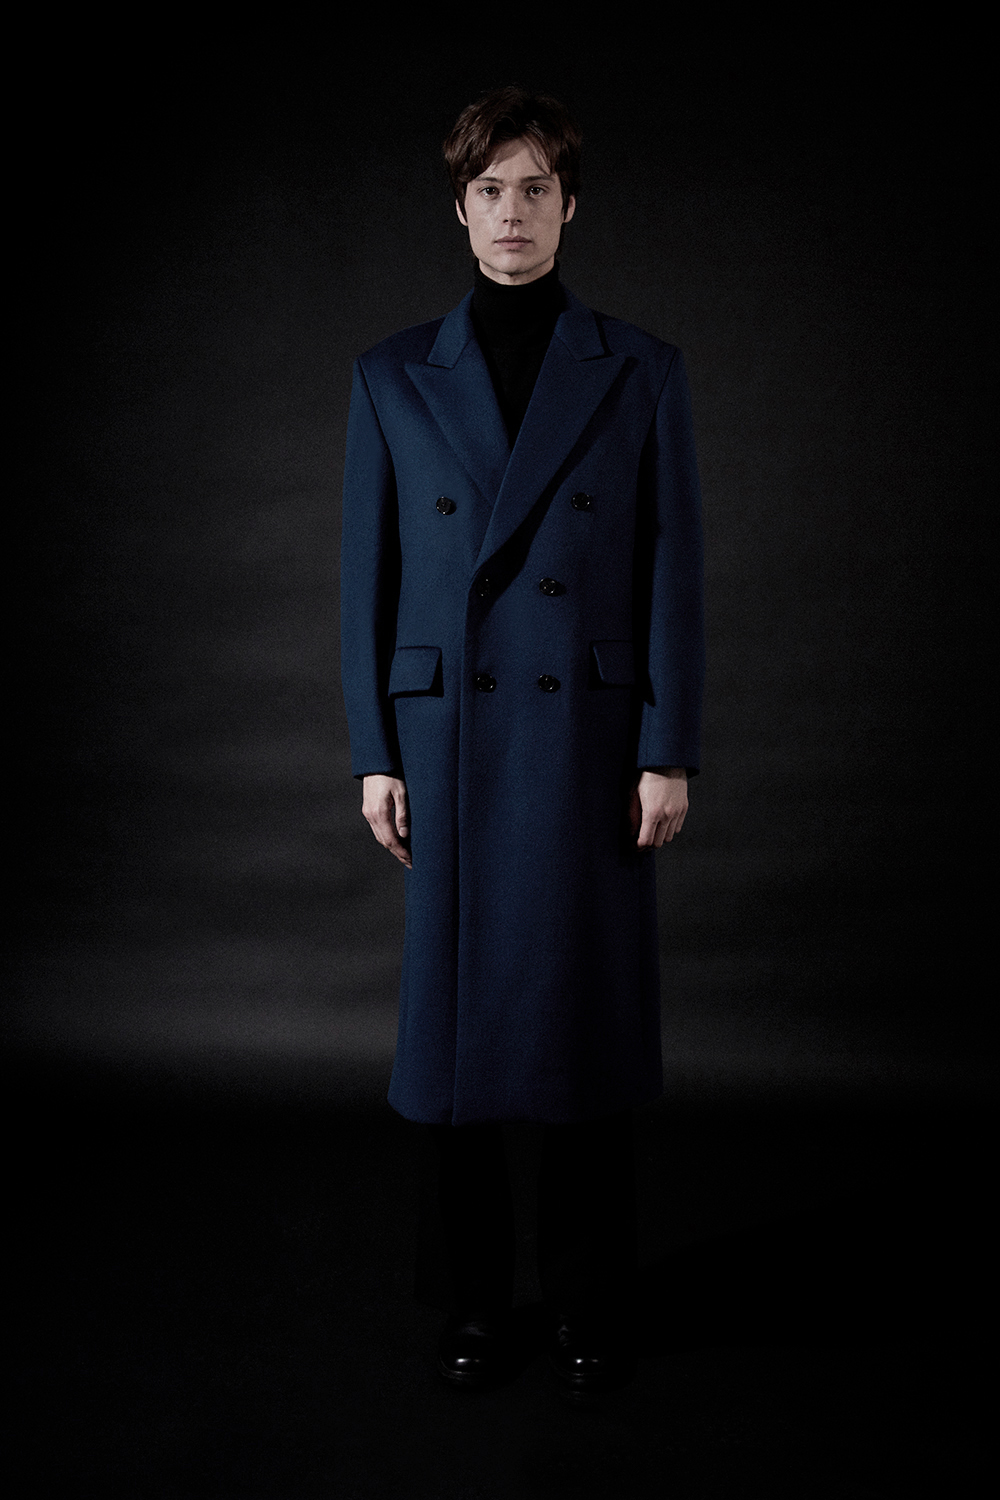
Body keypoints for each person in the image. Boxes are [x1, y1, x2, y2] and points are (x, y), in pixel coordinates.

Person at [340, 86, 704, 1391]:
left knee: (582, 1022)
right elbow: (367, 580)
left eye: (535, 188)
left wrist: (669, 747)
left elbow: (671, 570)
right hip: (447, 742)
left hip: (587, 743)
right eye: (489, 190)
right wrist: (373, 751)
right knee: (455, 1036)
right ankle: (476, 1303)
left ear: (569, 207)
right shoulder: (391, 374)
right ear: (460, 209)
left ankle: (587, 1297)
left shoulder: (641, 367)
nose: (512, 213)